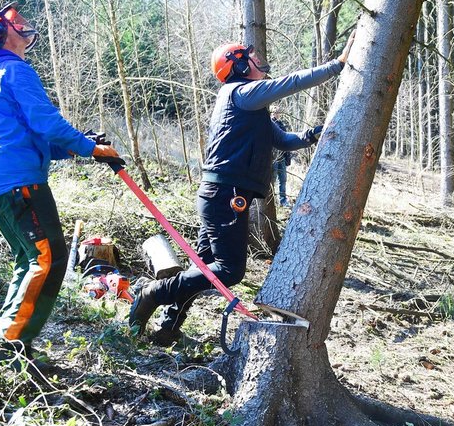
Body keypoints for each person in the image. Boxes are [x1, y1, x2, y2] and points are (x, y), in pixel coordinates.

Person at [129, 36, 353, 346]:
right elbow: (290, 83)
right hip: (224, 194)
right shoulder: (241, 93)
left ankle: (168, 327)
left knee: (203, 266)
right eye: (251, 56)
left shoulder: (250, 106)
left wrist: (312, 135)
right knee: (229, 270)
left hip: (220, 193)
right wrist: (336, 66)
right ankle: (153, 293)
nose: (259, 59)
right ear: (237, 65)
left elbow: (284, 141)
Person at [0, 4, 123, 367]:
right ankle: (8, 348)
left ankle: (9, 338)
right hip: (19, 183)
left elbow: (35, 138)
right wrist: (88, 145)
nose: (22, 26)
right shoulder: (14, 69)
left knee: (30, 260)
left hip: (2, 181)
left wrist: (82, 146)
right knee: (49, 259)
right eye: (11, 23)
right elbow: (47, 122)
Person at [270, 106, 291, 206]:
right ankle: (272, 202)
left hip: (282, 156)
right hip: (273, 158)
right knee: (272, 180)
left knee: (283, 179)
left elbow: (286, 141)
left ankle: (283, 201)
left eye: (278, 112)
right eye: (275, 112)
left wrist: (288, 157)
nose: (277, 114)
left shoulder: (282, 125)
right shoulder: (269, 124)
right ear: (272, 113)